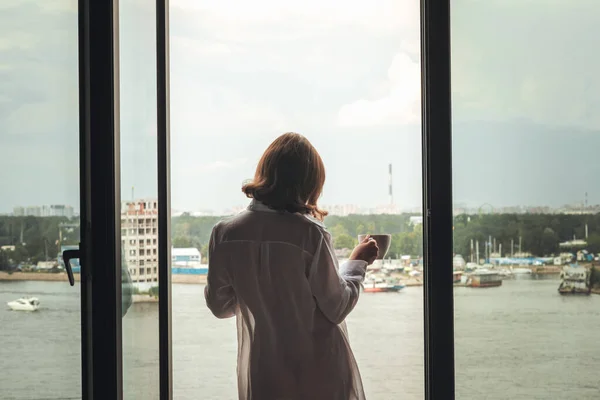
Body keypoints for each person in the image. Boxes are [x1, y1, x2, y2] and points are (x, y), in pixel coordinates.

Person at [204, 132, 379, 400]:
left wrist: (254, 285)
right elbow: (337, 306)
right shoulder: (310, 234)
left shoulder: (224, 233)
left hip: (264, 372)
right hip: (320, 370)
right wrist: (358, 261)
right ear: (309, 184)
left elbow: (220, 306)